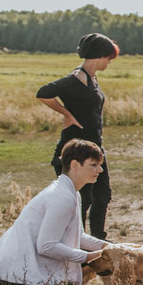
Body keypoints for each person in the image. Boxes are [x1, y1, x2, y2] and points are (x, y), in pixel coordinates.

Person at [0, 139, 110, 285]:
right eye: (94, 165)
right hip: (19, 278)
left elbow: (79, 235)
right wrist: (88, 257)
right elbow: (46, 246)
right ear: (75, 165)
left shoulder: (71, 192)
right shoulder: (62, 196)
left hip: (25, 273)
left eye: (99, 165)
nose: (100, 170)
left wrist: (109, 247)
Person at [36, 32, 119, 240]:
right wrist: (67, 115)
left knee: (103, 195)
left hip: (95, 147)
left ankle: (99, 241)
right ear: (99, 54)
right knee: (83, 199)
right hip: (76, 150)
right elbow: (43, 92)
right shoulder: (75, 79)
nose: (110, 61)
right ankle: (77, 243)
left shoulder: (92, 78)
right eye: (109, 56)